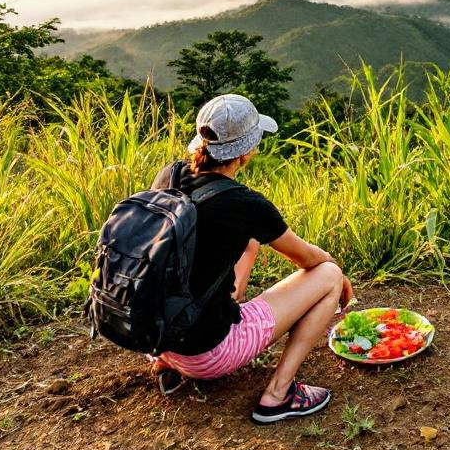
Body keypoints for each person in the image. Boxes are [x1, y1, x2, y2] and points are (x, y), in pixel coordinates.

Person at [150, 93, 353, 423]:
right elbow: (308, 259)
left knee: (246, 248)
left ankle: (165, 367)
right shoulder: (243, 203)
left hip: (154, 335)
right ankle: (279, 394)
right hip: (208, 355)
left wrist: (250, 248)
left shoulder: (169, 177)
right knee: (328, 275)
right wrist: (335, 266)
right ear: (245, 152)